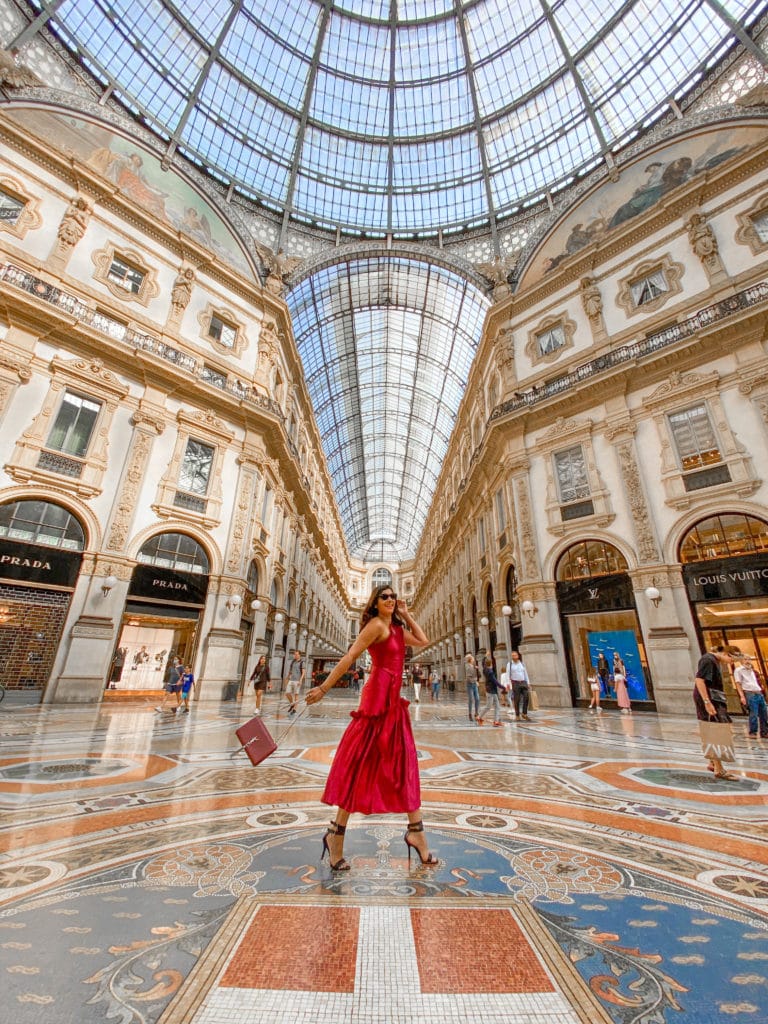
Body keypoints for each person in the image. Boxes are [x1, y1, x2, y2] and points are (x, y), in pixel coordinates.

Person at [305, 585, 436, 870]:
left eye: (393, 596)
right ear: (375, 603)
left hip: (393, 703)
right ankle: (335, 835)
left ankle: (417, 833)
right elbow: (351, 656)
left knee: (404, 765)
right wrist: (325, 687)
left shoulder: (398, 630)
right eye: (384, 597)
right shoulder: (376, 626)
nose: (390, 600)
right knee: (360, 764)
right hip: (376, 700)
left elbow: (424, 640)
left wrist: (406, 613)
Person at [693, 646, 735, 780]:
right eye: (731, 657)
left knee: (713, 729)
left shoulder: (712, 660)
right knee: (715, 731)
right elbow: (699, 680)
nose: (731, 661)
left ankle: (712, 762)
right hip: (710, 699)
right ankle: (719, 768)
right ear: (725, 653)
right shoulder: (708, 659)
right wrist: (707, 702)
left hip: (712, 698)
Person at [734, 655, 768, 739]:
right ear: (741, 661)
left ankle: (764, 731)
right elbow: (738, 683)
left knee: (764, 713)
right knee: (754, 713)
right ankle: (753, 732)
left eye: (749, 659)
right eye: (745, 659)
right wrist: (742, 696)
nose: (748, 661)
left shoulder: (752, 671)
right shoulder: (739, 670)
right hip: (750, 693)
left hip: (758, 693)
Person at [477, 657, 502, 727]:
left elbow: (482, 663)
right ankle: (479, 717)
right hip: (491, 691)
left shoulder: (485, 669)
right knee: (488, 706)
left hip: (490, 690)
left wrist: (485, 656)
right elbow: (495, 681)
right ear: (491, 663)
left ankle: (496, 721)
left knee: (497, 706)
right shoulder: (490, 672)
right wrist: (503, 687)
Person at [508, 650, 531, 720]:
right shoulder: (510, 664)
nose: (514, 657)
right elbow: (507, 675)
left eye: (515, 655)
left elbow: (525, 673)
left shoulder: (522, 664)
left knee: (526, 697)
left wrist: (528, 682)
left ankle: (524, 713)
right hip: (515, 683)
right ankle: (517, 715)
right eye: (513, 656)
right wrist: (508, 685)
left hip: (523, 682)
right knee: (517, 699)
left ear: (518, 656)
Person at [284, 649, 305, 715]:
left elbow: (303, 672)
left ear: (299, 655)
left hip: (297, 680)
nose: (295, 656)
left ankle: (295, 709)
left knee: (296, 695)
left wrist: (301, 680)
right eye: (294, 654)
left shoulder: (302, 662)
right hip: (291, 680)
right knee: (287, 693)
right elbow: (290, 671)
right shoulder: (292, 662)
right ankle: (292, 704)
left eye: (296, 654)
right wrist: (287, 677)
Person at [464, 653, 481, 722]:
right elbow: (468, 677)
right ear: (470, 659)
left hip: (474, 684)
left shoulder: (472, 666)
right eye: (473, 658)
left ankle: (476, 713)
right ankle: (470, 713)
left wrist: (475, 668)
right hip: (470, 685)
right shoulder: (468, 666)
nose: (474, 659)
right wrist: (475, 681)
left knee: (477, 699)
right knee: (471, 699)